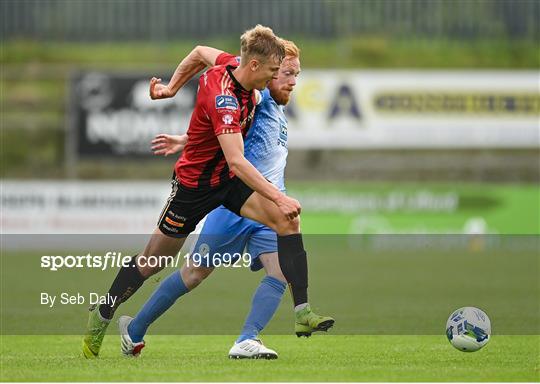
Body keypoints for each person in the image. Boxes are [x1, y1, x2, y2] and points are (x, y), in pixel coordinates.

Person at [82, 25, 334, 359]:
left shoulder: (241, 69)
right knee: (153, 262)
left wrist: (172, 88)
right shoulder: (225, 97)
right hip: (195, 186)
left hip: (230, 184)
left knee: (288, 221)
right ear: (257, 68)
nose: (281, 79)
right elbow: (237, 159)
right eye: (278, 71)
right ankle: (103, 313)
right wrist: (278, 195)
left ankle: (297, 312)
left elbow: (201, 51)